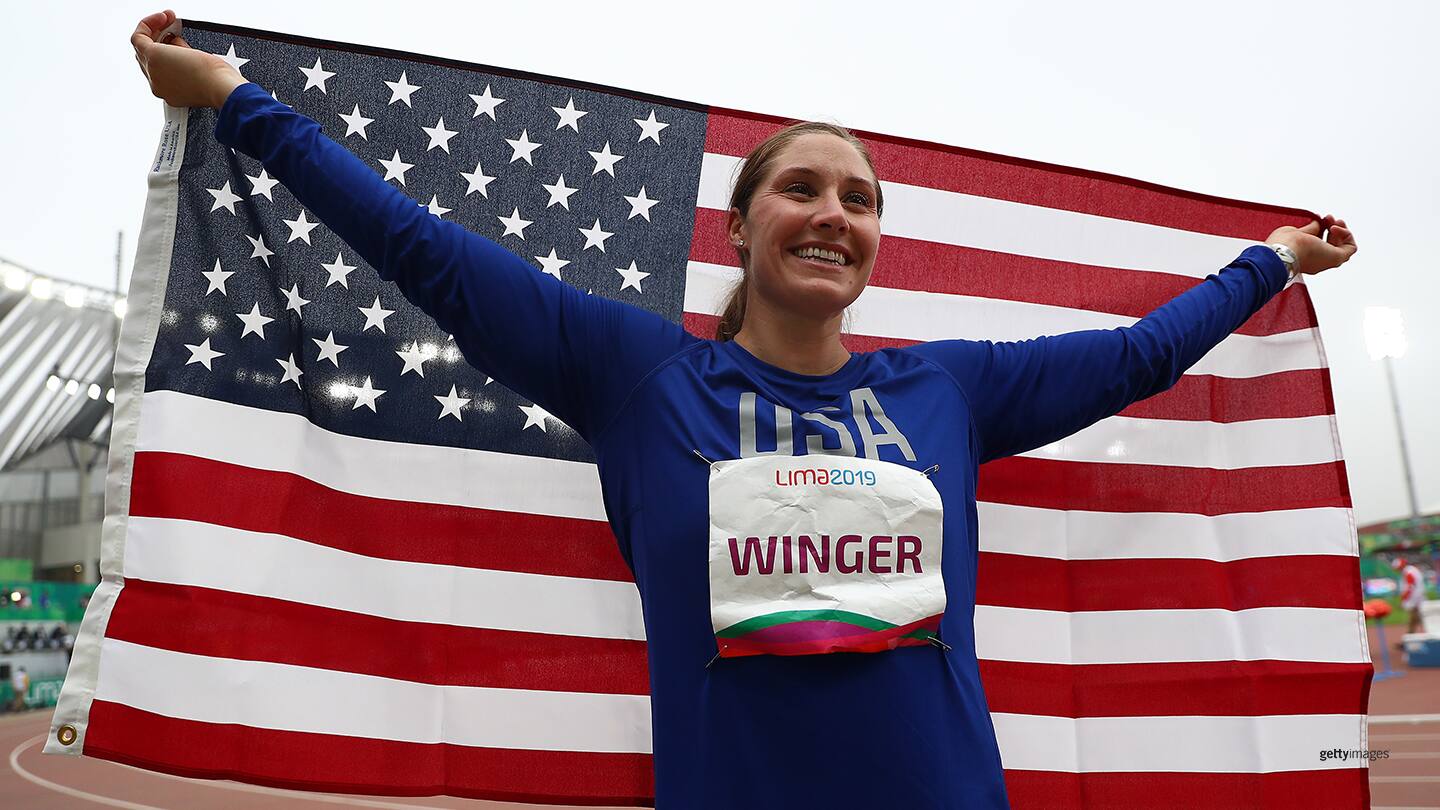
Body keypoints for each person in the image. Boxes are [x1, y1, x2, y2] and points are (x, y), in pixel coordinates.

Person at [130, 10, 1358, 809]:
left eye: (862, 199)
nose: (836, 214)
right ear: (742, 223)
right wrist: (238, 100)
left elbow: (1140, 355)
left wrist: (1272, 262)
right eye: (805, 189)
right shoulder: (641, 376)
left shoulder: (946, 390)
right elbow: (426, 251)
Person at [1394, 556, 1427, 636]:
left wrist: (1404, 597)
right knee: (1418, 617)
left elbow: (1410, 587)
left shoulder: (1408, 572)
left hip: (1414, 597)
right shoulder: (1411, 570)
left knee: (1415, 617)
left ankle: (1411, 635)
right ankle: (1411, 634)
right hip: (1418, 595)